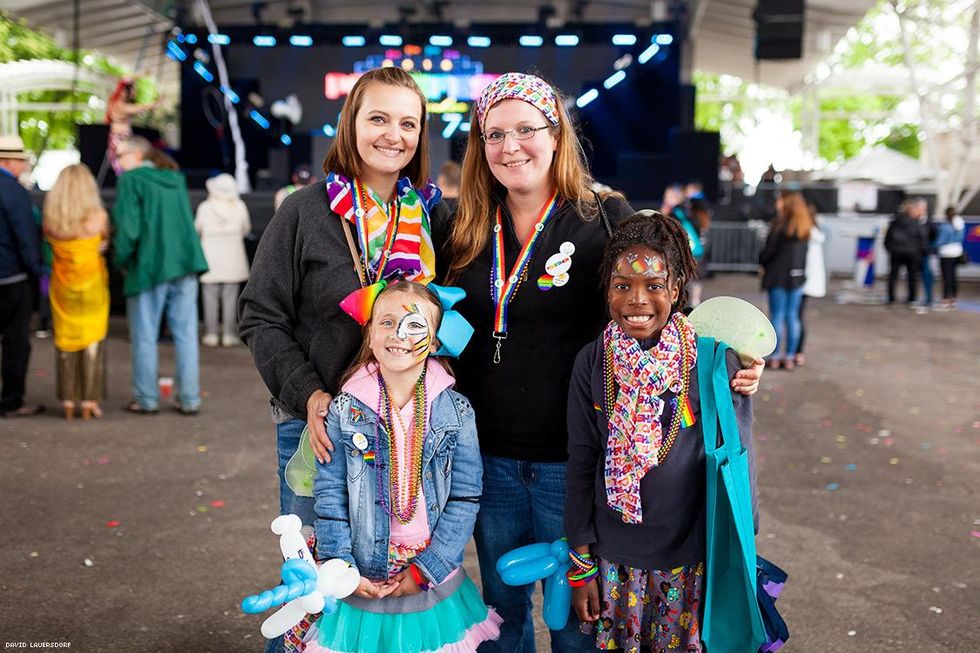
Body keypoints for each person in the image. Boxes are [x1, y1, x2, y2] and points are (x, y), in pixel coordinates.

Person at [443, 73, 764, 652]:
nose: (510, 147)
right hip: (488, 457)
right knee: (500, 614)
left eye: (526, 129)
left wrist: (727, 363)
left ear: (556, 133)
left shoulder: (605, 214)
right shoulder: (460, 224)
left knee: (579, 624)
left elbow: (662, 305)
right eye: (495, 134)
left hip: (576, 460)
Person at [239, 65, 448, 539]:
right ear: (350, 123)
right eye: (378, 119)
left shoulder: (434, 217)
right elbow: (260, 315)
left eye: (408, 123)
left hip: (411, 428)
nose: (394, 135)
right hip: (319, 427)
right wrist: (309, 395)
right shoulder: (305, 211)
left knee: (399, 568)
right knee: (320, 570)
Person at [564, 211, 756, 652]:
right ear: (607, 289)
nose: (637, 300)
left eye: (653, 286)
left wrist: (739, 553)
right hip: (614, 558)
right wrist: (581, 562)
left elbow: (740, 459)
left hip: (691, 558)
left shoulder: (714, 362)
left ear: (676, 288)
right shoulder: (593, 362)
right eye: (622, 286)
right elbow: (582, 459)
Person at [296, 280, 500, 653]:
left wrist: (428, 569)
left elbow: (465, 496)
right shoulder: (343, 410)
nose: (399, 334)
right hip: (361, 569)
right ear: (370, 335)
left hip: (427, 569)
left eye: (415, 325)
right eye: (387, 323)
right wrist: (340, 566)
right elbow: (330, 494)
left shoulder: (457, 412)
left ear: (435, 342)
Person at [113, 136, 208, 415]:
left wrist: (120, 259)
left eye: (120, 156)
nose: (117, 162)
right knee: (186, 335)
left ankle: (146, 399)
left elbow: (128, 229)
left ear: (136, 155)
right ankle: (189, 398)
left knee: (144, 336)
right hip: (184, 263)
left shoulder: (131, 180)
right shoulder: (175, 179)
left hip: (149, 265)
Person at [42, 164, 110, 419]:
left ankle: (69, 399)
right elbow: (105, 242)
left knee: (65, 338)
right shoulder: (98, 217)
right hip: (92, 285)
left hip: (62, 286)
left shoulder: (51, 221)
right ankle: (90, 400)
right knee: (93, 336)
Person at [0, 135, 45, 417]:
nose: (23, 167)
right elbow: (26, 237)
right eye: (20, 161)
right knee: (15, 342)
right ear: (7, 161)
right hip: (11, 278)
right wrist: (37, 272)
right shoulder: (13, 191)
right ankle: (11, 401)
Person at [195, 173, 251, 347]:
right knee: (230, 300)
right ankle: (228, 334)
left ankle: (211, 334)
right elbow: (246, 229)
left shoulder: (205, 207)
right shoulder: (239, 206)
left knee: (209, 299)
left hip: (210, 259)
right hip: (233, 259)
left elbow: (197, 229)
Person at [759, 190, 810, 370]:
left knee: (777, 316)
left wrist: (762, 261)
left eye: (780, 200)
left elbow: (768, 253)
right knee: (793, 316)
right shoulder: (804, 228)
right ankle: (789, 356)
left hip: (777, 277)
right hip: (798, 277)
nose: (777, 203)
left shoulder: (779, 226)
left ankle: (774, 356)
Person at [105, 76, 163, 175]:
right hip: (119, 139)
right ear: (124, 92)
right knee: (122, 166)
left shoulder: (119, 104)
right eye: (132, 90)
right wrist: (155, 103)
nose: (134, 93)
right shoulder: (120, 105)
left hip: (124, 138)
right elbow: (140, 108)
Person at [797, 208, 826, 366]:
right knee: (798, 317)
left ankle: (795, 352)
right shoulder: (815, 233)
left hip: (800, 281)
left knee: (795, 317)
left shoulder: (805, 233)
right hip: (806, 282)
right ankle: (797, 352)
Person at [884, 199, 926, 306]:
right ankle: (912, 298)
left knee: (893, 275)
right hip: (911, 252)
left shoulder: (894, 222)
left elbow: (888, 238)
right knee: (912, 276)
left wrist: (889, 248)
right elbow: (921, 237)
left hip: (896, 251)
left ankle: (891, 298)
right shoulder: (915, 222)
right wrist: (920, 251)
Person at [934, 205, 966, 311]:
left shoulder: (945, 226)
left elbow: (940, 241)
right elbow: (960, 238)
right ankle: (953, 299)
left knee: (946, 277)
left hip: (946, 253)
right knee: (953, 276)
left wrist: (932, 246)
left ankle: (946, 299)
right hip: (957, 252)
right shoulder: (960, 225)